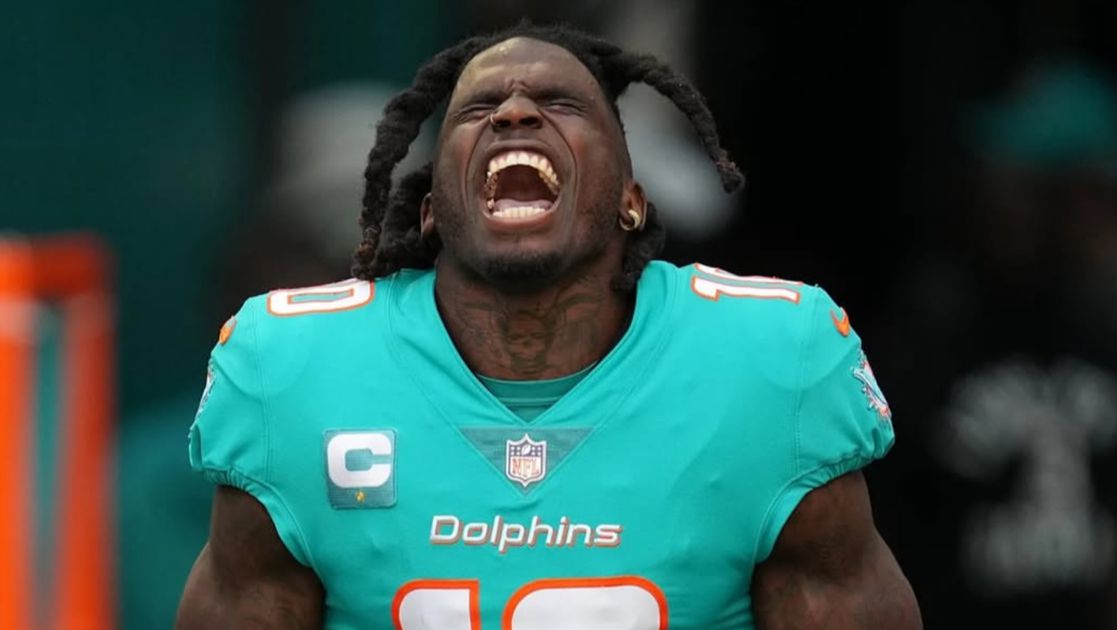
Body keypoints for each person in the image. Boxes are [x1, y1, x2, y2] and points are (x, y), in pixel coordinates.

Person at [175, 24, 920, 629]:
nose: (514, 113)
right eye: (477, 109)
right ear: (431, 209)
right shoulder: (293, 369)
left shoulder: (769, 362)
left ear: (631, 202)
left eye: (562, 104)